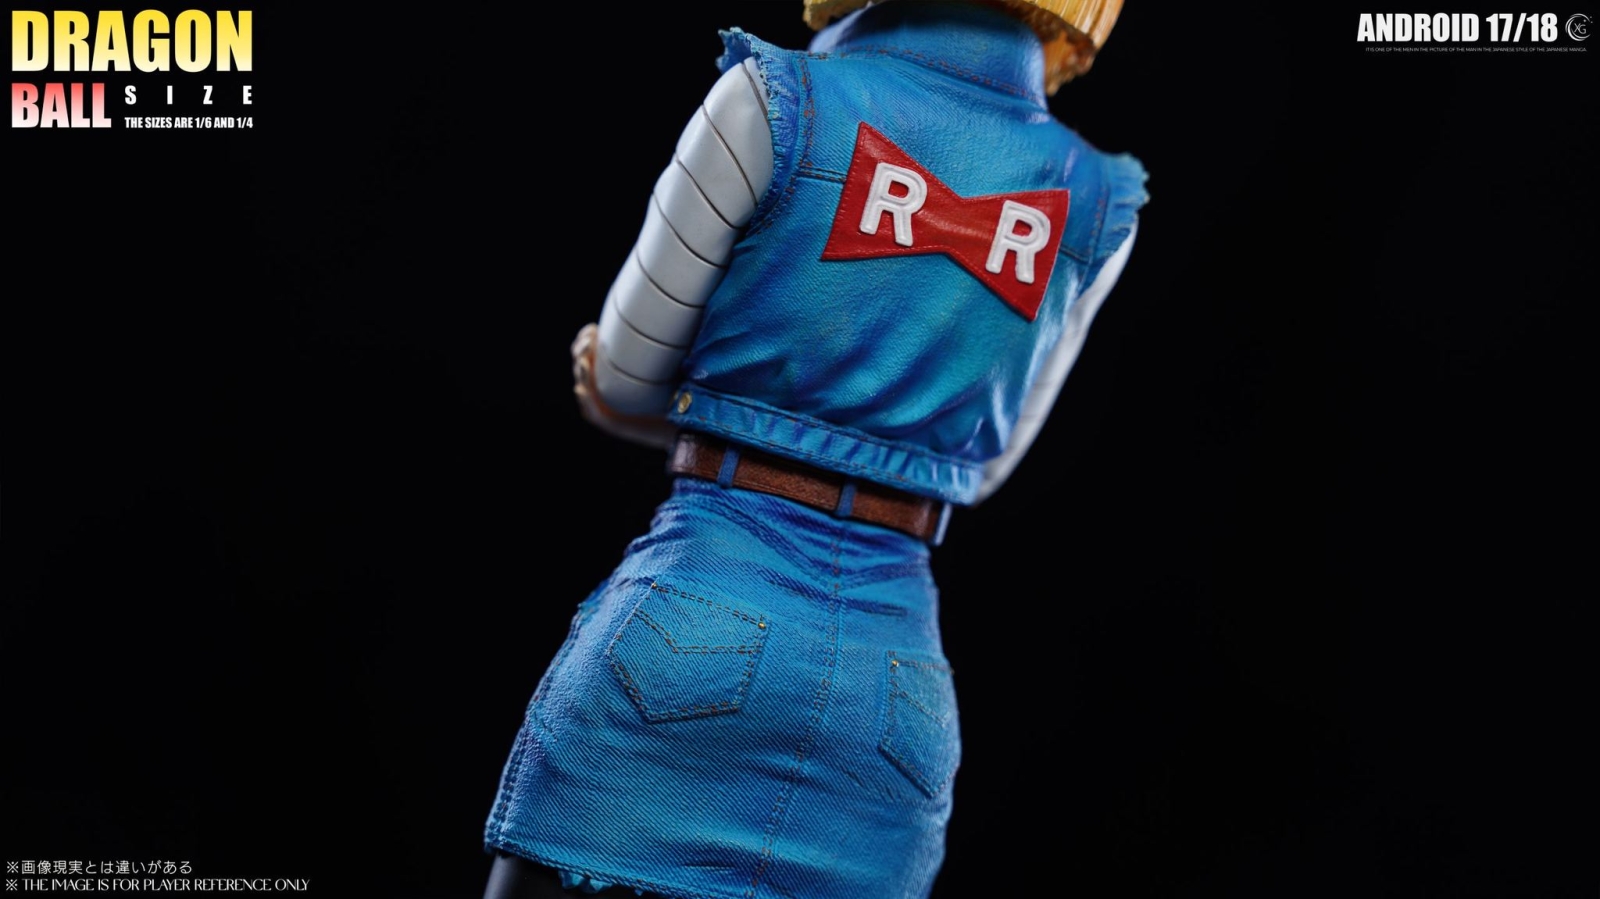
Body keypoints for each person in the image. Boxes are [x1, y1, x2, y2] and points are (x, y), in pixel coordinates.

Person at [483, 2, 1148, 896]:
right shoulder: (1100, 202)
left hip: (694, 621)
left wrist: (637, 387)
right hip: (894, 695)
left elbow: (627, 378)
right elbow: (979, 469)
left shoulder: (773, 99)